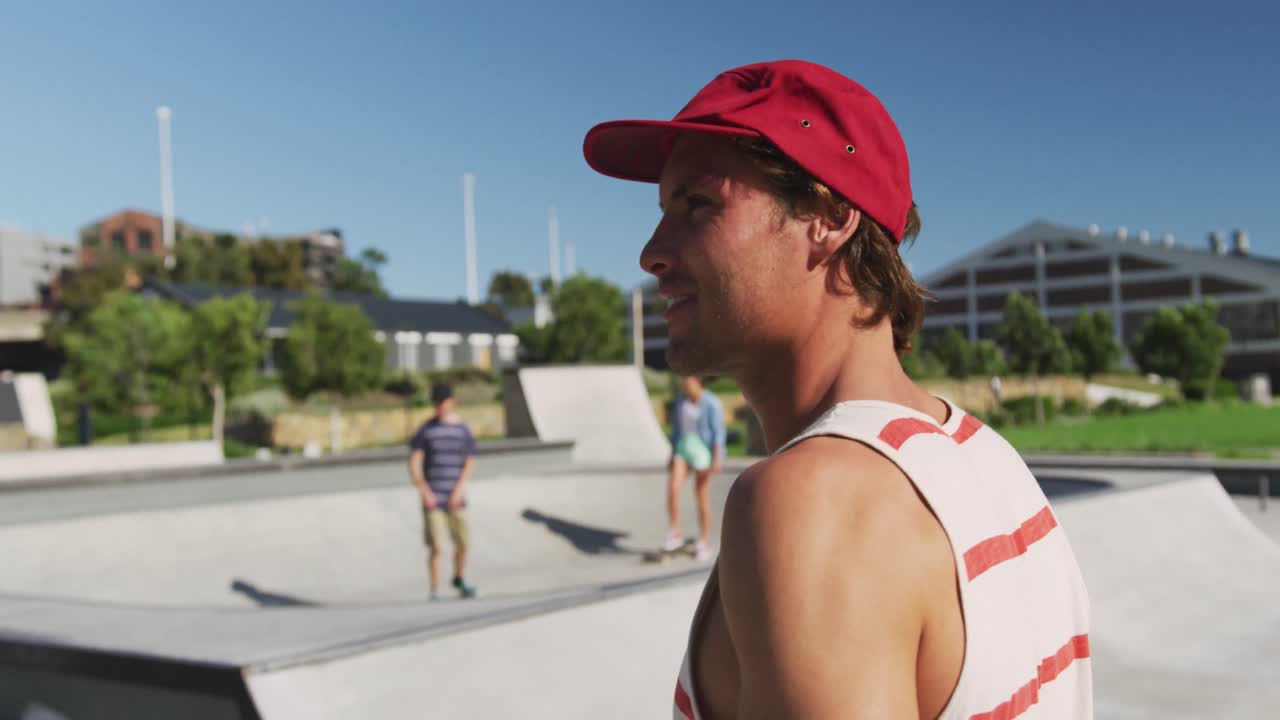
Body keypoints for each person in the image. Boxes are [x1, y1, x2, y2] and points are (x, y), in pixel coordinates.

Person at [584, 60, 1091, 719]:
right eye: (662, 210)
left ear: (827, 216)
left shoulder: (811, 504)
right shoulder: (986, 458)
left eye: (697, 204)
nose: (651, 251)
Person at [408, 383, 478, 601]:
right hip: (433, 497)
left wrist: (459, 489)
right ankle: (435, 589)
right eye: (436, 403)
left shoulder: (462, 429)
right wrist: (424, 490)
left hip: (456, 496)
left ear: (452, 402)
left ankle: (458, 577)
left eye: (443, 402)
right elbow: (415, 462)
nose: (440, 407)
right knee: (436, 546)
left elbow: (470, 461)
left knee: (463, 544)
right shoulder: (426, 430)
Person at [664, 376, 727, 561]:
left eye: (688, 381)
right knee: (673, 489)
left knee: (700, 494)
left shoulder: (711, 402)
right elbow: (675, 431)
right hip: (683, 448)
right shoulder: (680, 402)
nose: (684, 384)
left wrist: (717, 458)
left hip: (702, 450)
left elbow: (718, 432)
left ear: (698, 381)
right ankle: (674, 533)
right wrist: (671, 454)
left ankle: (704, 541)